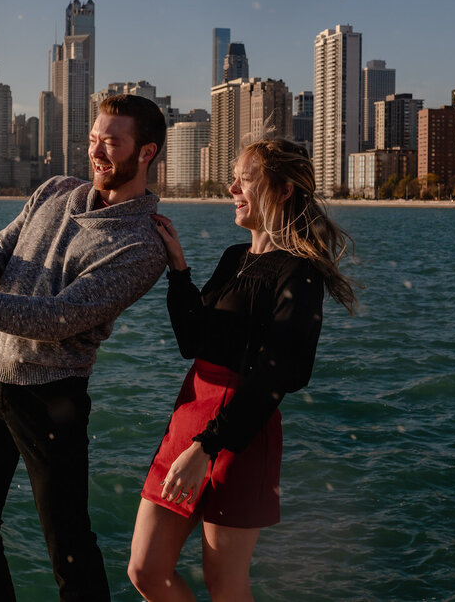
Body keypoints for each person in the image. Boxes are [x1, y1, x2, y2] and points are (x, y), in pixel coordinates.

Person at [0, 94, 169, 602]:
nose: (97, 152)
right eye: (93, 140)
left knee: (69, 549)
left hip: (51, 398)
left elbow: (55, 320)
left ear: (146, 152)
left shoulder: (142, 245)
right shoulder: (56, 189)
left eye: (111, 142)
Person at [127, 137, 356, 601]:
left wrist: (208, 447)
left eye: (244, 179)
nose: (231, 187)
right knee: (146, 570)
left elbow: (281, 374)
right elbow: (193, 341)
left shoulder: (300, 273)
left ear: (283, 189)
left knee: (224, 583)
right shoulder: (235, 257)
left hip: (240, 438)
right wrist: (178, 270)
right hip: (188, 420)